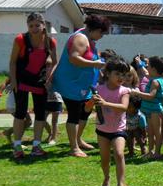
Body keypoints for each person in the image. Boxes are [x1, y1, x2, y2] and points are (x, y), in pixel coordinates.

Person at [51, 14, 109, 157]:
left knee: (85, 112)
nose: (102, 36)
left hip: (83, 84)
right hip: (71, 84)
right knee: (74, 114)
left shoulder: (89, 38)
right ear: (95, 29)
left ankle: (78, 140)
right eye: (102, 32)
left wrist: (99, 74)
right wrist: (95, 64)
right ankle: (74, 148)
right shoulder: (80, 39)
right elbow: (74, 58)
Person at [8, 12, 58, 159]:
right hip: (21, 80)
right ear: (27, 27)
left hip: (40, 81)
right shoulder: (20, 39)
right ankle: (17, 146)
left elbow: (54, 62)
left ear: (43, 25)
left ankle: (36, 145)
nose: (34, 28)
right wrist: (14, 81)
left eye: (37, 25)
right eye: (31, 26)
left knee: (40, 113)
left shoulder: (51, 42)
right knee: (20, 113)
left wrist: (49, 78)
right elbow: (13, 62)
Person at [92, 59, 131, 186]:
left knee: (119, 154)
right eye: (117, 74)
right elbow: (87, 109)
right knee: (105, 158)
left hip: (118, 129)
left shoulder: (124, 91)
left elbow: (124, 107)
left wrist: (104, 103)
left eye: (123, 74)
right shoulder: (99, 89)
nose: (121, 77)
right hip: (102, 129)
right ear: (107, 74)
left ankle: (121, 184)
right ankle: (106, 178)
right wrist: (91, 102)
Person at [130, 55, 163, 159]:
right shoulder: (155, 77)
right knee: (150, 132)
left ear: (154, 69)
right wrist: (139, 63)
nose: (147, 67)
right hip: (149, 110)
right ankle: (151, 151)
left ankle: (157, 153)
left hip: (155, 110)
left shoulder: (155, 82)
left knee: (156, 132)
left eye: (148, 66)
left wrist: (137, 93)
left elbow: (151, 96)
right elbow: (145, 72)